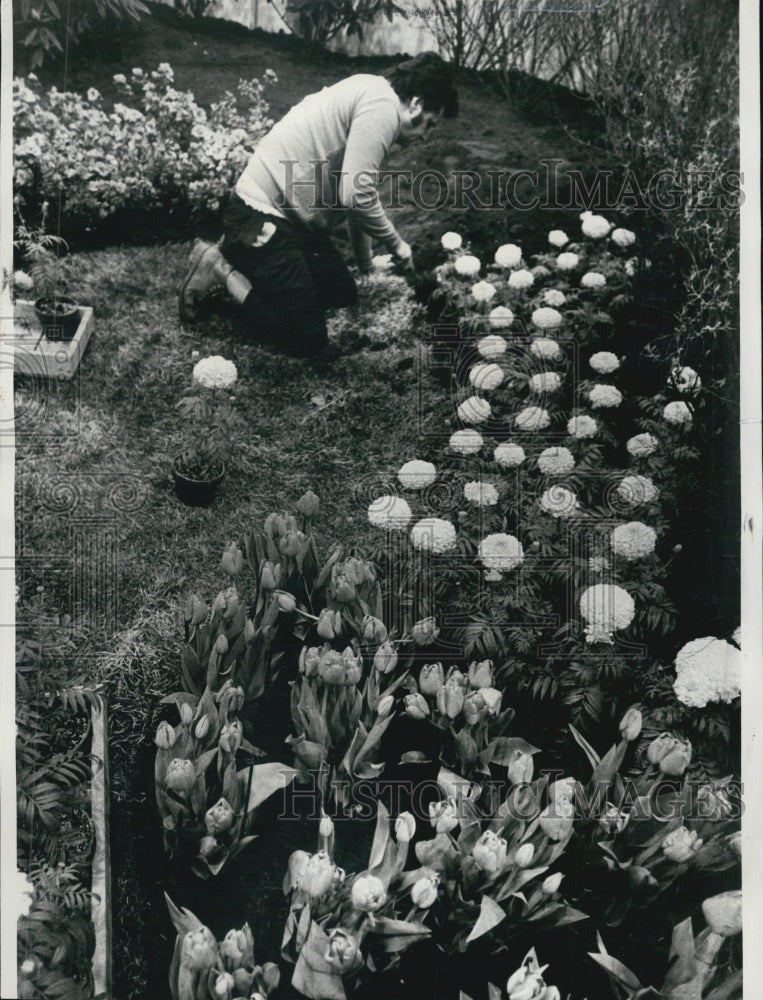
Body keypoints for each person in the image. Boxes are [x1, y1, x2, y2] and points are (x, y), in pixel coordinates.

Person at [178, 52, 458, 359]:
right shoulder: (382, 108)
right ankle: (219, 267)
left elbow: (353, 201)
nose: (424, 137)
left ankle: (253, 268)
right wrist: (397, 246)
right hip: (258, 214)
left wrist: (366, 266)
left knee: (342, 292)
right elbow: (356, 196)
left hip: (292, 221)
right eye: (429, 125)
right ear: (415, 104)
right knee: (307, 337)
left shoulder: (376, 99)